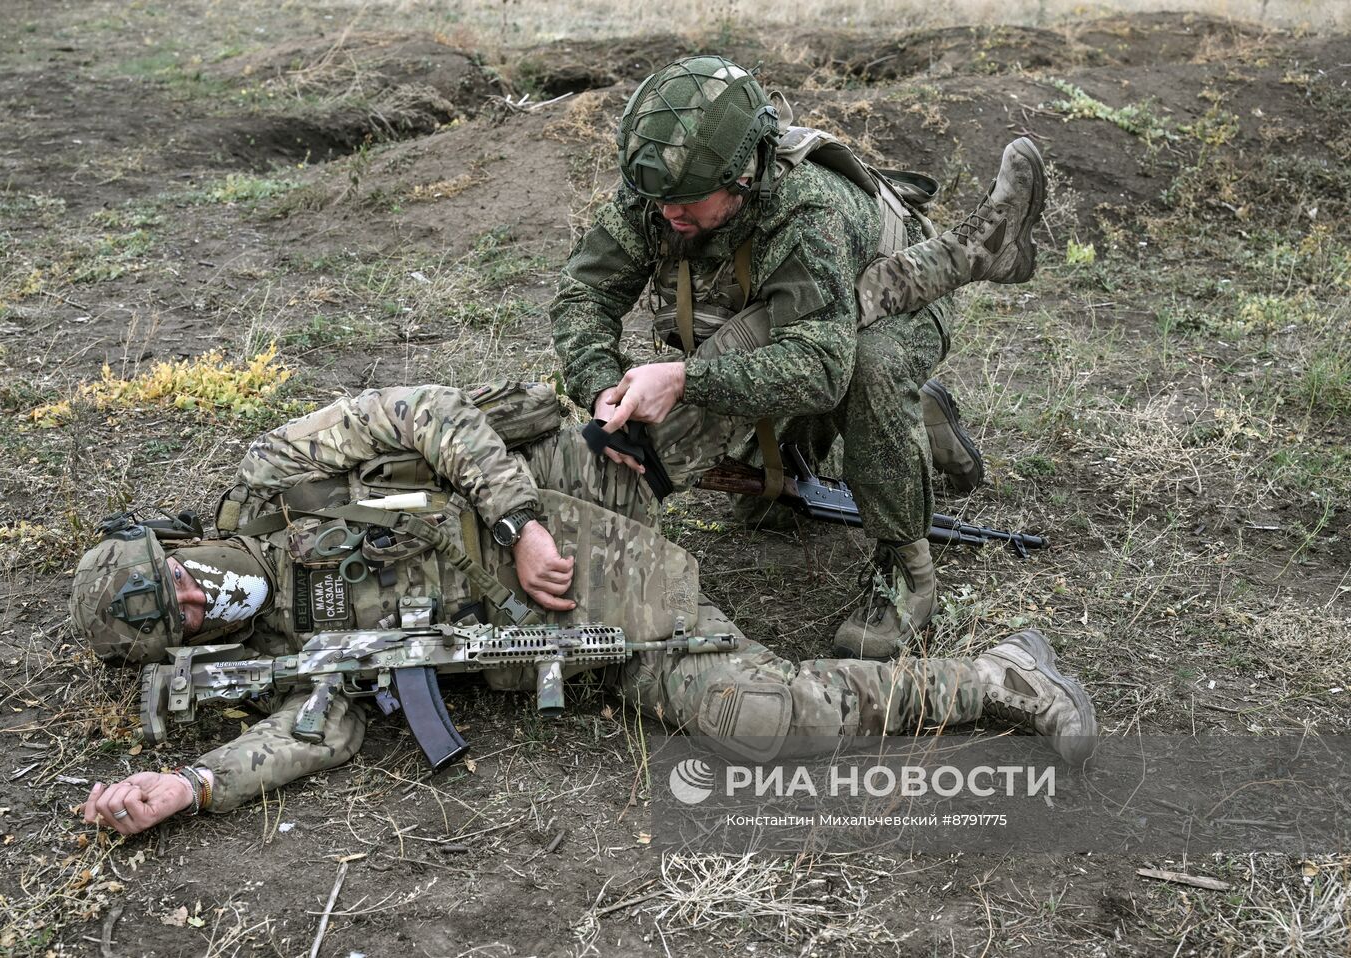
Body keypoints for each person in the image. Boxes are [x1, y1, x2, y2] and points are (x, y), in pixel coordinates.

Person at [71, 383, 1096, 836]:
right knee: (767, 720)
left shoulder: (274, 476)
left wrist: (516, 518)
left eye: (185, 578)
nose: (206, 599)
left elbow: (424, 410)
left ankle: (890, 397)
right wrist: (195, 783)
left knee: (738, 381)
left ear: (174, 542)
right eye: (187, 618)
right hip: (584, 629)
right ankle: (1002, 674)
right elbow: (316, 730)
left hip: (573, 482)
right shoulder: (287, 646)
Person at [550, 55, 1047, 660]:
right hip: (786, 311)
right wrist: (599, 382)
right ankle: (964, 295)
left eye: (685, 202)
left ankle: (905, 570)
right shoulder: (662, 191)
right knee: (764, 504)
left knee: (871, 365)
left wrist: (685, 378)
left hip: (892, 312)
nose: (667, 216)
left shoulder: (806, 210)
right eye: (659, 201)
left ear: (738, 177)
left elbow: (820, 367)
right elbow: (586, 292)